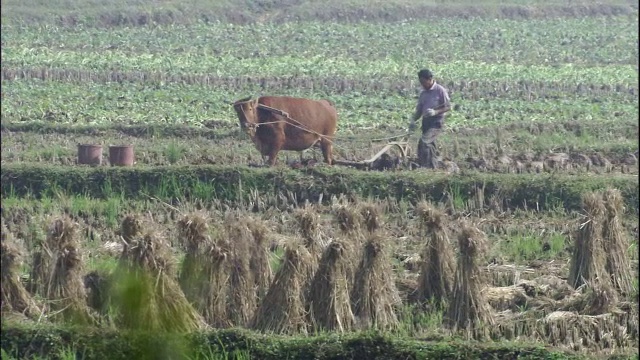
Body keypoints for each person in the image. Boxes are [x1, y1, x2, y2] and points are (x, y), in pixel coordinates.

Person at [408, 69, 451, 169]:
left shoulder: (440, 90)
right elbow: (419, 110)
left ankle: (429, 167)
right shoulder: (423, 93)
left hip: (436, 122)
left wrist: (435, 112)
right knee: (425, 145)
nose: (422, 84)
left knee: (425, 142)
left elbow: (448, 106)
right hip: (426, 122)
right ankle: (431, 166)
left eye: (423, 82)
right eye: (421, 82)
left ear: (430, 79)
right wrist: (413, 120)